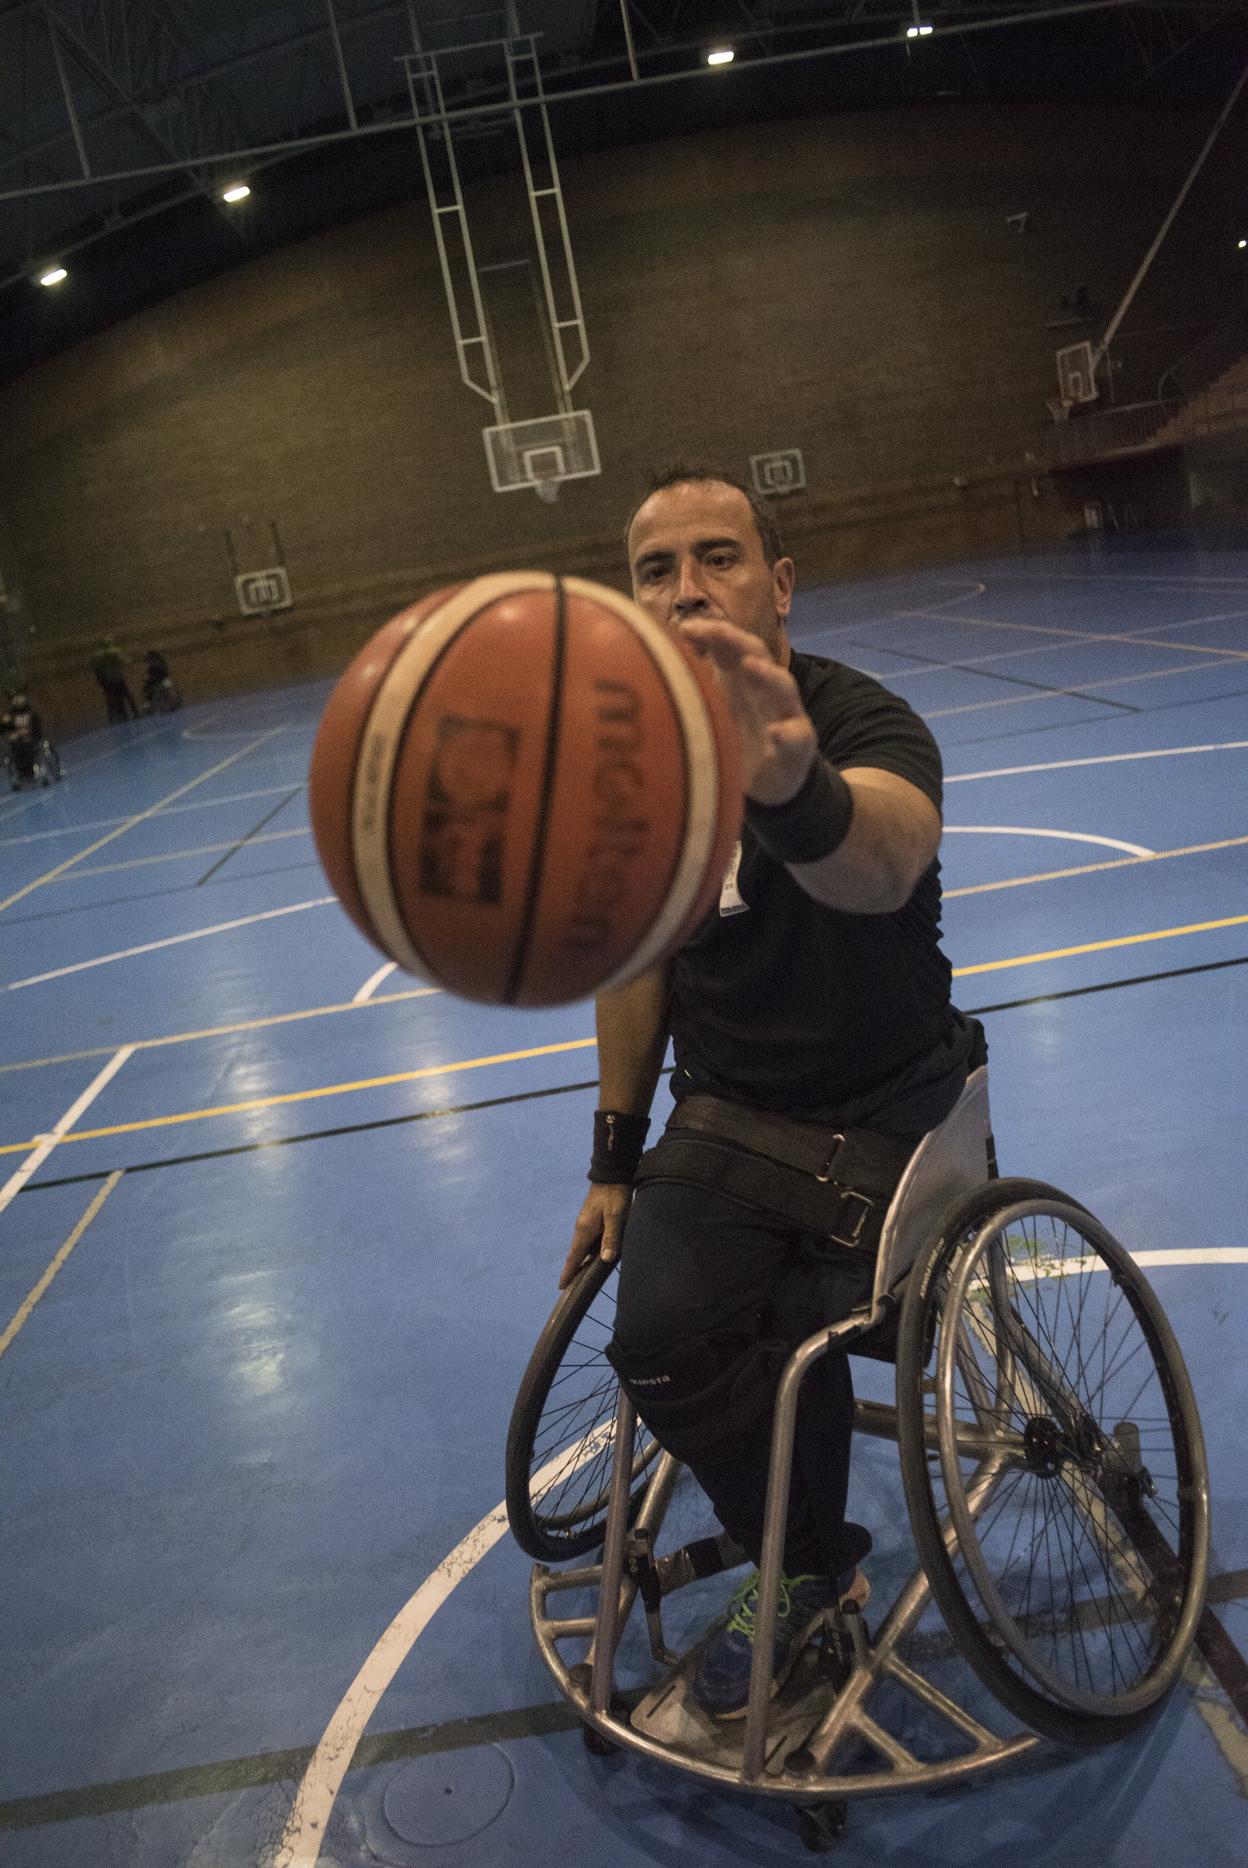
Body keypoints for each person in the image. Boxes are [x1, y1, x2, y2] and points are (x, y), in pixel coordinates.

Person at [559, 467, 978, 1720]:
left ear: (779, 583)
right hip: (731, 1119)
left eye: (719, 557)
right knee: (654, 1340)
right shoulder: (635, 769)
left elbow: (885, 859)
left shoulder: (860, 724)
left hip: (893, 1110)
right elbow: (636, 964)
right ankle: (804, 1567)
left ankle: (790, 1563)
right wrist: (613, 1157)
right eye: (655, 568)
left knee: (791, 1328)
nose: (688, 586)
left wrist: (792, 784)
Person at [90, 638, 140, 722]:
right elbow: (125, 660)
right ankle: (134, 712)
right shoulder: (113, 652)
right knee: (126, 696)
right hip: (117, 677)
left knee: (113, 698)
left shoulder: (99, 655)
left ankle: (119, 715)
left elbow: (94, 666)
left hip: (109, 679)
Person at [2, 689, 44, 783]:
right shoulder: (9, 715)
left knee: (28, 749)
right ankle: (22, 772)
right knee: (16, 750)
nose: (16, 700)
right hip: (18, 741)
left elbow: (37, 727)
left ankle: (30, 771)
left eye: (18, 698)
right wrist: (10, 733)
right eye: (13, 699)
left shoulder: (30, 712)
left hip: (32, 738)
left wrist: (28, 732)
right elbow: (4, 730)